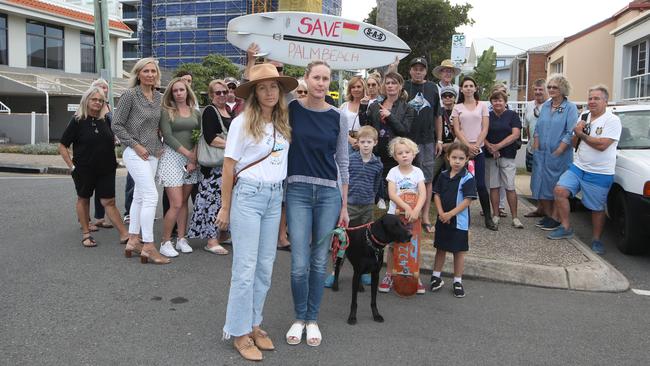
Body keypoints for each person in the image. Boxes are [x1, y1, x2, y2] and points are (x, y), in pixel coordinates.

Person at [217, 63, 297, 361]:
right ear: (253, 93)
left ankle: (254, 323)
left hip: (274, 198)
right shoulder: (242, 122)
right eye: (262, 87)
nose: (269, 92)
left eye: (273, 86)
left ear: (280, 90)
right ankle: (238, 332)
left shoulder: (282, 122)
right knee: (245, 269)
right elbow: (228, 167)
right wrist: (225, 207)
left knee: (265, 267)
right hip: (248, 197)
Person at [285, 60, 349, 348]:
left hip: (328, 195)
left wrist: (344, 206)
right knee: (299, 264)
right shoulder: (292, 109)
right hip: (297, 190)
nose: (321, 83)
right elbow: (263, 91)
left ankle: (312, 319)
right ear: (306, 79)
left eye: (326, 79)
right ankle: (299, 317)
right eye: (317, 78)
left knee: (319, 261)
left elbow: (344, 163)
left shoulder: (338, 116)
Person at [549, 86, 621, 254]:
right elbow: (575, 144)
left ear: (605, 101)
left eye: (596, 98)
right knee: (560, 191)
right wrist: (576, 133)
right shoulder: (584, 116)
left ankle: (596, 240)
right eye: (590, 98)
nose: (592, 102)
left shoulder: (612, 120)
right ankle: (566, 227)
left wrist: (581, 134)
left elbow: (602, 145)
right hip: (578, 167)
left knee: (596, 208)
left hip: (600, 172)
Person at [112, 57, 168, 264]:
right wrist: (136, 145)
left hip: (153, 152)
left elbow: (158, 125)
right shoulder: (129, 95)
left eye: (153, 71)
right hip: (134, 152)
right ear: (138, 74)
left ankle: (133, 240)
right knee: (151, 196)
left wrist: (160, 145)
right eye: (146, 71)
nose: (150, 75)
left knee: (139, 197)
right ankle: (149, 246)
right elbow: (116, 125)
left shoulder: (158, 97)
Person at [58, 86, 129, 247]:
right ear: (87, 100)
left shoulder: (106, 120)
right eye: (94, 99)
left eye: (101, 100)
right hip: (84, 170)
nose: (97, 102)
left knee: (109, 201)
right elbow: (62, 146)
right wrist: (72, 167)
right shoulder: (77, 120)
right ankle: (86, 234)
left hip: (107, 169)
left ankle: (125, 234)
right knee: (84, 199)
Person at [324, 125, 383, 288]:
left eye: (369, 141)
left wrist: (372, 197)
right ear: (356, 143)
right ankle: (335, 271)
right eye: (362, 141)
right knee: (342, 239)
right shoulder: (350, 160)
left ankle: (364, 272)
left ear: (375, 143)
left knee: (366, 240)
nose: (365, 145)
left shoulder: (377, 164)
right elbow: (343, 180)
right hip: (349, 205)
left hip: (367, 207)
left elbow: (377, 184)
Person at [157, 77, 202, 257]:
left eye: (181, 90)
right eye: (175, 90)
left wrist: (194, 157)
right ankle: (165, 241)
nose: (178, 93)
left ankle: (181, 239)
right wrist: (188, 154)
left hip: (192, 160)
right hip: (172, 158)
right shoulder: (166, 111)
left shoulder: (195, 112)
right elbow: (167, 136)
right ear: (171, 93)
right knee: (175, 203)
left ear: (187, 91)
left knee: (184, 203)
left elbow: (199, 135)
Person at [187, 79, 232, 255]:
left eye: (224, 91)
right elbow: (210, 138)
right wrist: (232, 145)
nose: (222, 95)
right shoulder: (210, 112)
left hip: (225, 166)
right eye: (217, 92)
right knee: (212, 202)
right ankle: (211, 240)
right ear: (211, 95)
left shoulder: (227, 110)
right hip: (213, 168)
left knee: (224, 201)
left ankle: (221, 235)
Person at [359, 71, 414, 207]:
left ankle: (395, 200)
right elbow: (365, 124)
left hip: (396, 148)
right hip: (378, 147)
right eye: (388, 83)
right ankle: (380, 197)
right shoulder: (375, 105)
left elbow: (404, 131)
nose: (390, 86)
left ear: (400, 86)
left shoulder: (407, 108)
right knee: (378, 173)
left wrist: (390, 116)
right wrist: (363, 107)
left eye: (394, 83)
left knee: (395, 176)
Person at [531, 74, 578, 231]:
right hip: (542, 153)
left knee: (556, 185)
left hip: (559, 155)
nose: (550, 89)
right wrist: (536, 145)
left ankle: (557, 218)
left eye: (554, 87)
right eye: (549, 87)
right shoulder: (546, 105)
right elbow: (538, 127)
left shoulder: (569, 107)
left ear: (562, 89)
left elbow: (570, 131)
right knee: (541, 183)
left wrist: (559, 149)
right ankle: (549, 215)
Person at [379, 137, 427, 294]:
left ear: (414, 154)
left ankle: (415, 276)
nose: (404, 155)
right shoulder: (393, 172)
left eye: (407, 152)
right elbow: (392, 194)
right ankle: (389, 275)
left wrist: (416, 210)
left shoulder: (418, 172)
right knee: (393, 247)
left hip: (413, 217)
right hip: (395, 216)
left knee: (413, 246)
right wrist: (406, 206)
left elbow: (423, 193)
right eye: (400, 153)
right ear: (395, 156)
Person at [430, 142, 477, 298]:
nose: (457, 161)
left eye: (461, 158)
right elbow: (436, 194)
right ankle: (436, 277)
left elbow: (467, 200)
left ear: (466, 159)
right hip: (442, 219)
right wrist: (441, 213)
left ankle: (457, 280)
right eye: (454, 158)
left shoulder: (468, 177)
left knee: (458, 251)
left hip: (459, 222)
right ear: (448, 158)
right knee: (440, 248)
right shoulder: (443, 175)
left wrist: (450, 214)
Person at [452, 76, 497, 231]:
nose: (469, 88)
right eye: (466, 86)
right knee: (461, 183)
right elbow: (457, 129)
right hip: (461, 150)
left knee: (480, 184)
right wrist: (467, 146)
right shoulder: (457, 107)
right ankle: (464, 215)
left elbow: (485, 128)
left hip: (478, 149)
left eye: (471, 85)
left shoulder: (483, 105)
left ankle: (488, 217)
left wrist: (476, 146)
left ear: (475, 88)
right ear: (462, 89)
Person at [485, 90, 524, 229]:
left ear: (505, 102)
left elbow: (515, 134)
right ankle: (495, 214)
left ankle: (515, 217)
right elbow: (481, 133)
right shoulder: (487, 116)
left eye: (500, 100)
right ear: (491, 102)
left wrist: (498, 146)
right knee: (494, 186)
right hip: (490, 156)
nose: (497, 103)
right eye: (495, 100)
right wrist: (490, 147)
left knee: (510, 186)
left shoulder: (512, 115)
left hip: (507, 155)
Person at [87, 78, 114, 231]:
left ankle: (100, 217)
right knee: (85, 192)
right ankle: (85, 221)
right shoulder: (86, 107)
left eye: (105, 87)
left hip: (105, 154)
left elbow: (114, 126)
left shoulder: (108, 107)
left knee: (102, 189)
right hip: (89, 156)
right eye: (100, 87)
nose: (103, 89)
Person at [523, 79, 548, 218]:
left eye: (541, 89)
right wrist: (530, 142)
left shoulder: (550, 105)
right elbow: (527, 126)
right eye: (536, 89)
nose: (538, 92)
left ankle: (547, 211)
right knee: (535, 180)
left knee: (545, 181)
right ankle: (539, 209)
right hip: (531, 149)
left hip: (545, 151)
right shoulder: (529, 105)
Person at [432, 85, 457, 182]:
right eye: (444, 96)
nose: (447, 98)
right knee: (431, 173)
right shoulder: (437, 112)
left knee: (452, 174)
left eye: (450, 96)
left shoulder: (459, 111)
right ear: (441, 98)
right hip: (439, 149)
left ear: (454, 98)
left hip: (454, 147)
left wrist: (451, 145)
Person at [340, 76, 367, 150]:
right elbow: (339, 126)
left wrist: (361, 141)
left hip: (365, 144)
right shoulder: (344, 106)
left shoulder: (370, 105)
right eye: (353, 87)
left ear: (363, 88)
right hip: (345, 142)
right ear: (350, 89)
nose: (356, 89)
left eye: (359, 86)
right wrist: (350, 139)